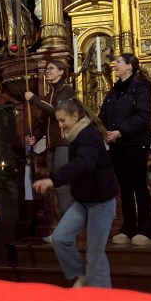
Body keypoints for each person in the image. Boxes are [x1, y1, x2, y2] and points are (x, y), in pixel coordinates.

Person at [32, 98, 118, 288]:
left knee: (95, 255)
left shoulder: (88, 136)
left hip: (101, 202)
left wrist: (52, 180)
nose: (61, 126)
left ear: (75, 116)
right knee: (60, 238)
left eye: (63, 121)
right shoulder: (78, 135)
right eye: (58, 121)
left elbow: (83, 164)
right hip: (83, 201)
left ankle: (104, 300)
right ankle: (81, 276)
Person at [100, 53, 151, 246]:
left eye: (118, 62)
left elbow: (142, 117)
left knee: (139, 185)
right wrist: (102, 129)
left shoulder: (141, 88)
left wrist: (120, 131)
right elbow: (104, 114)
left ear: (130, 66)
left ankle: (147, 230)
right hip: (117, 144)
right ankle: (128, 227)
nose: (114, 65)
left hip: (135, 143)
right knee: (124, 188)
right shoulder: (114, 90)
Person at [24, 59, 75, 239]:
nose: (47, 71)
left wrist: (35, 99)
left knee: (62, 186)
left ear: (61, 72)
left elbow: (57, 113)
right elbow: (44, 122)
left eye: (51, 69)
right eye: (47, 69)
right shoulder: (49, 94)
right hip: (51, 145)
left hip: (63, 144)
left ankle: (66, 231)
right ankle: (61, 229)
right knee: (56, 187)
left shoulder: (66, 90)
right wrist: (35, 137)